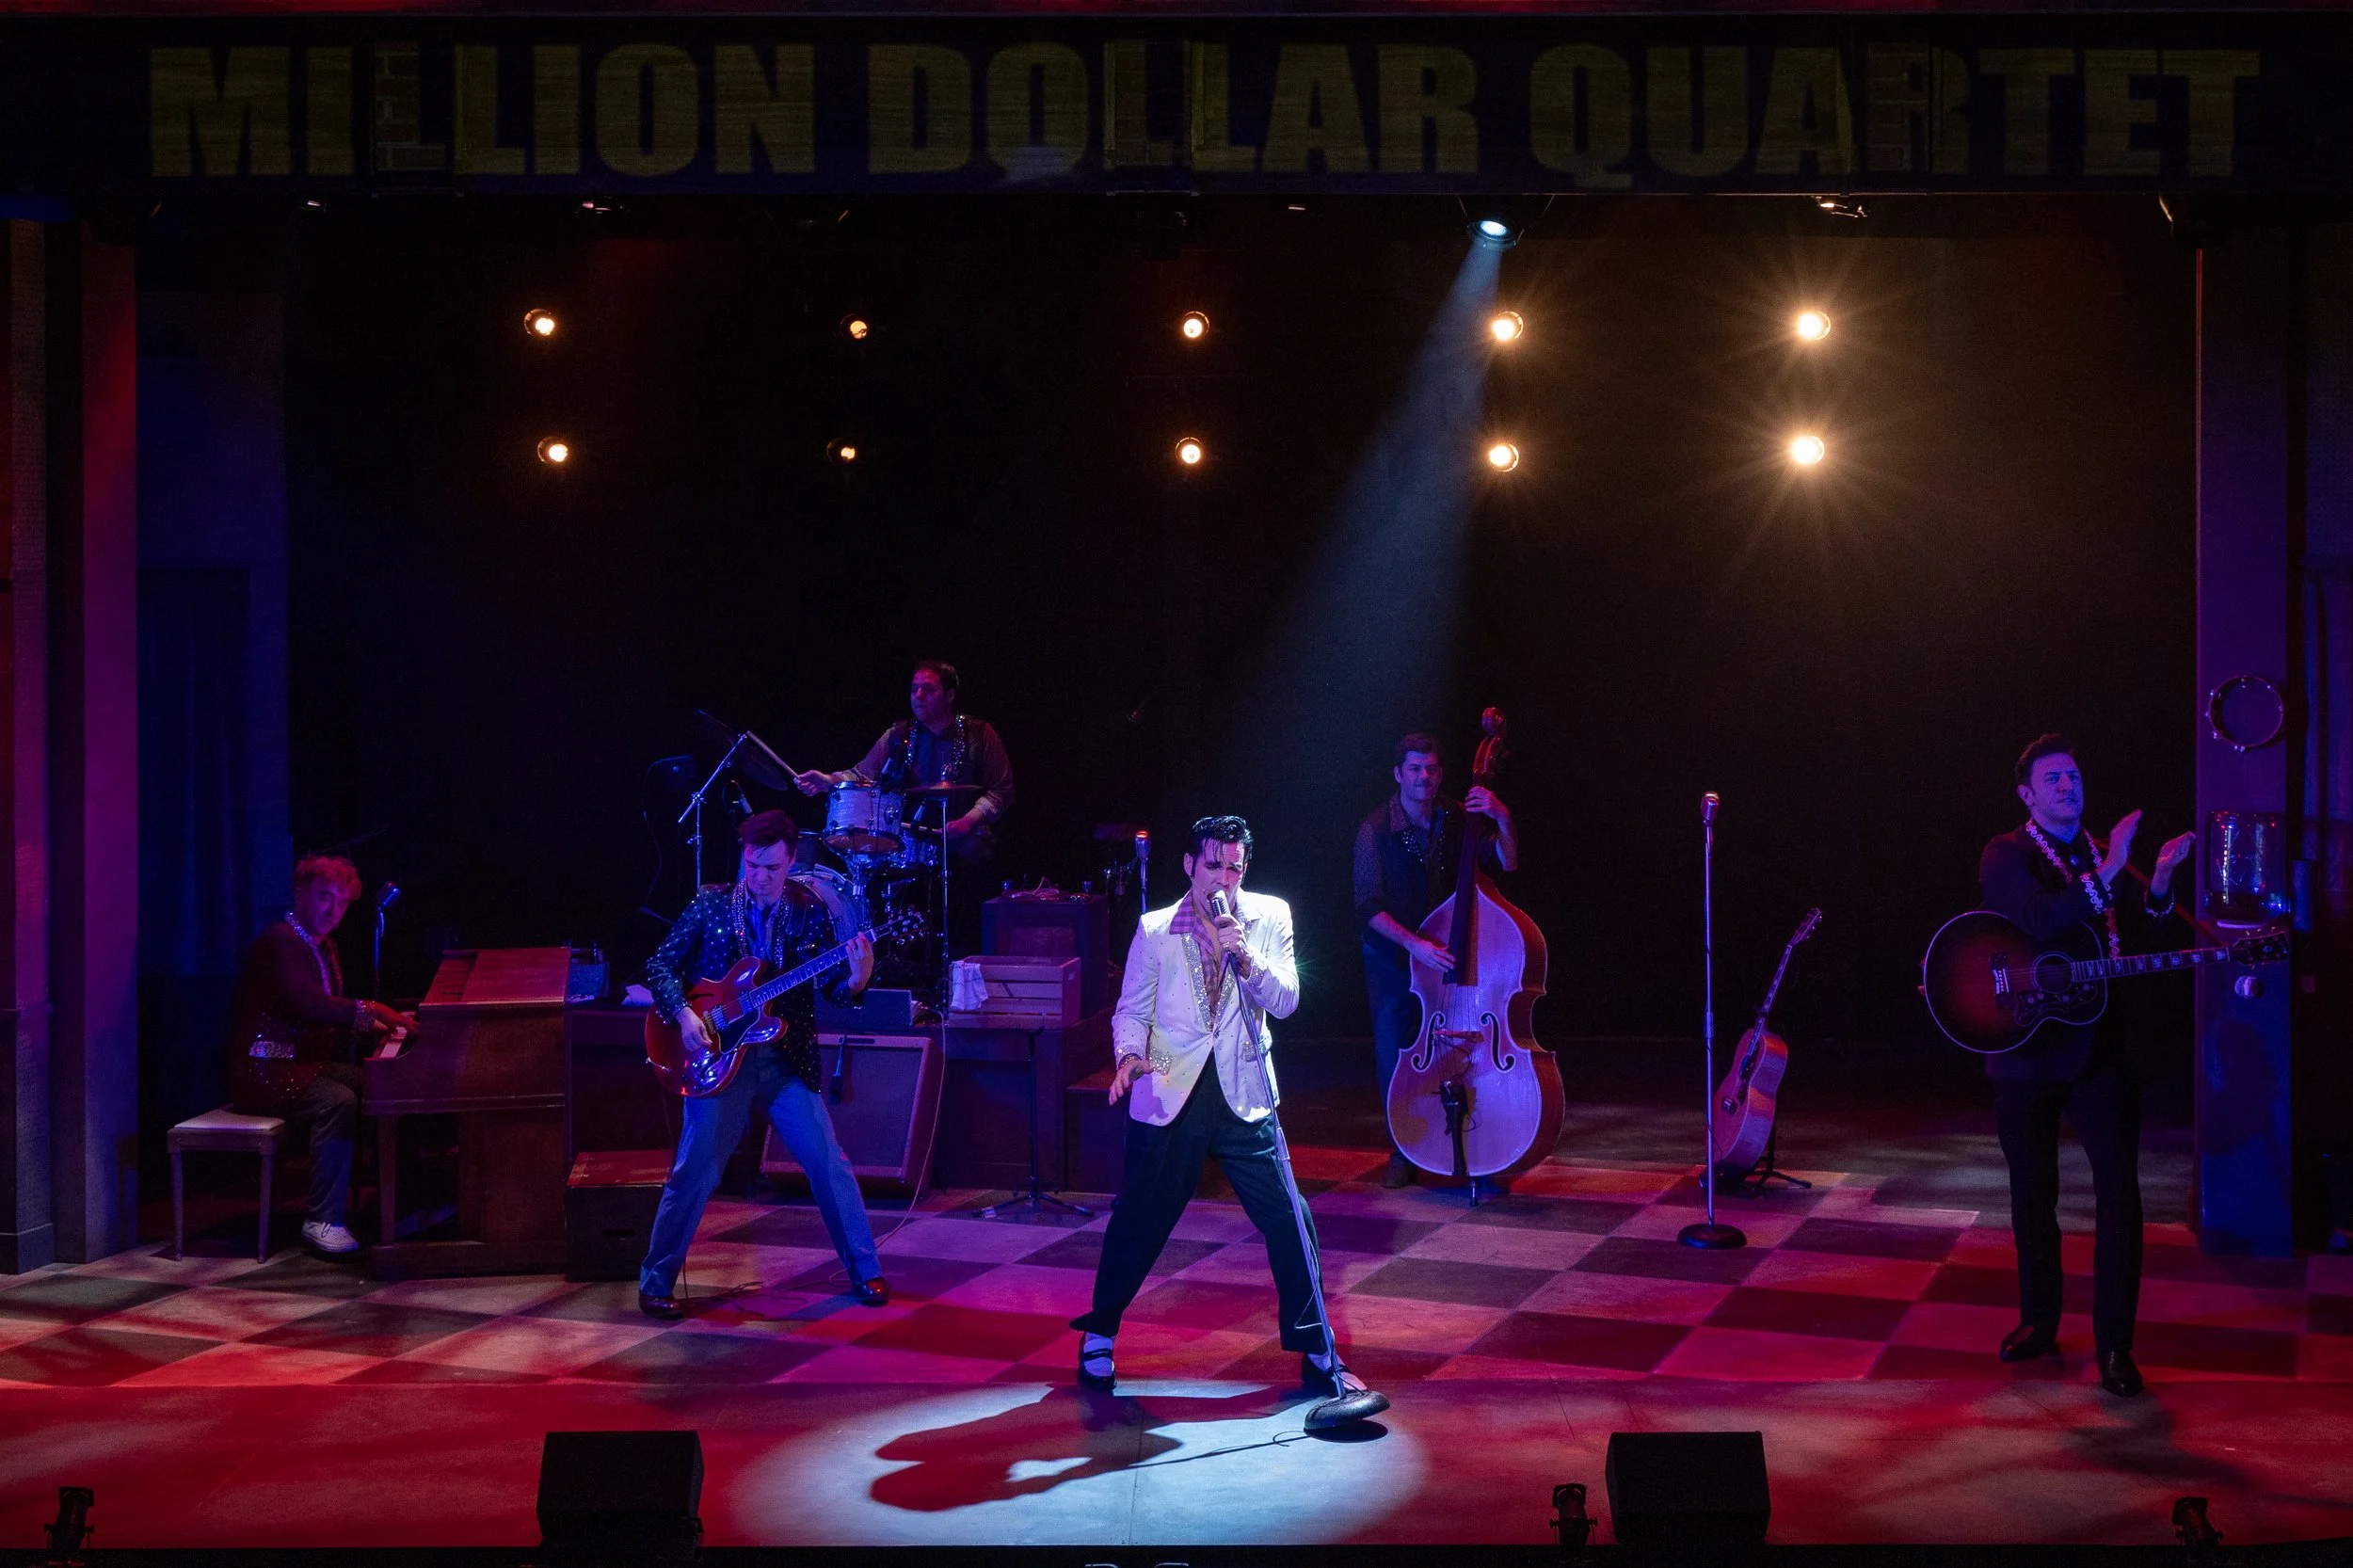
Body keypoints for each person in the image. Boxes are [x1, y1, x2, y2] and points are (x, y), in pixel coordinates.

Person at [1071, 815, 1387, 1428]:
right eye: (1212, 865)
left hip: (1245, 1093)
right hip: (1172, 1085)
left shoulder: (1268, 917)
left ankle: (1318, 1352)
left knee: (1290, 1218)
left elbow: (1287, 1001)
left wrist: (1245, 956)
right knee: (1139, 1219)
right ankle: (1100, 1331)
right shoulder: (1155, 929)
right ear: (1189, 864)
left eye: (1234, 868)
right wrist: (1130, 1057)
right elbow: (1131, 1010)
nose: (1223, 878)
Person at [1978, 733, 2194, 1399]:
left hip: (2100, 1050)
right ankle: (2039, 1322)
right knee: (2032, 1193)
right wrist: (2112, 867)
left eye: (2073, 775)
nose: (2068, 785)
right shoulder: (2006, 853)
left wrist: (2159, 880)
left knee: (2119, 1194)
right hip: (2025, 1049)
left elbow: (2148, 937)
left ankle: (2115, 1346)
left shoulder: (2103, 854)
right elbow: (2041, 920)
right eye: (2054, 779)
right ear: (2028, 794)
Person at [638, 810, 888, 1318]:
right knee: (694, 1172)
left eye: (772, 868)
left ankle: (866, 1271)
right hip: (717, 1059)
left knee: (829, 1164)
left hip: (783, 1061)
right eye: (753, 866)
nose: (761, 878)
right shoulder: (711, 902)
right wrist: (684, 1014)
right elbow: (659, 964)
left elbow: (832, 989)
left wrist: (856, 981)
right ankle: (655, 1281)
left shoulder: (809, 910)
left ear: (792, 861)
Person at [223, 855, 417, 1256]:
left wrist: (371, 1024)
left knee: (381, 1085)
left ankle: (397, 1201)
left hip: (300, 1064)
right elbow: (306, 1005)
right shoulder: (281, 941)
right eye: (324, 897)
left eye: (342, 903)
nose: (333, 910)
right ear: (300, 895)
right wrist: (372, 1011)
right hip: (264, 1069)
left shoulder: (322, 946)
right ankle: (322, 1219)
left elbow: (323, 1013)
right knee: (337, 1100)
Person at [1352, 732, 1518, 1188]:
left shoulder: (1457, 817)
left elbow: (1506, 861)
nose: (1423, 776)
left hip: (1445, 955)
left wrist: (1502, 817)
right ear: (1398, 774)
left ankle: (1471, 1142)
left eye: (1431, 769)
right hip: (1393, 957)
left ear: (1440, 774)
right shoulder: (1374, 829)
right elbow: (1367, 906)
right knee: (1396, 1053)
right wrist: (1414, 945)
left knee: (1462, 1047)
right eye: (1414, 769)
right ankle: (1402, 1149)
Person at [794, 659, 1015, 952]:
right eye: (914, 689)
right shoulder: (898, 736)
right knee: (871, 862)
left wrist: (967, 822)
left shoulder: (980, 734)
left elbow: (1002, 790)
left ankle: (966, 953)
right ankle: (886, 954)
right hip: (911, 837)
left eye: (928, 690)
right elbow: (862, 774)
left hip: (962, 835)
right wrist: (827, 780)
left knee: (975, 857)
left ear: (950, 695)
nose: (918, 696)